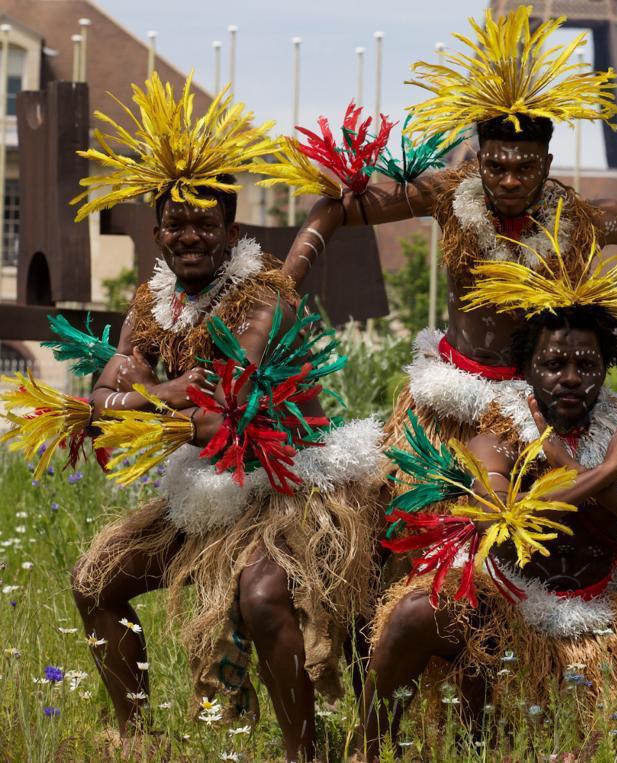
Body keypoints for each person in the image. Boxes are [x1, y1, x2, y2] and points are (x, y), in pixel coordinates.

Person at [256, 6, 617, 453]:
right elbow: (338, 206)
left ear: (546, 164)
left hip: (543, 408)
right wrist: (287, 285)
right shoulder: (445, 196)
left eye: (524, 168)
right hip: (451, 399)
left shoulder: (585, 219)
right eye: (496, 166)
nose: (509, 180)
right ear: (478, 159)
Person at [61, 74, 384, 762]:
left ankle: (304, 753)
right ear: (157, 232)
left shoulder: (262, 297)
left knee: (263, 599)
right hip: (210, 483)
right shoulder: (152, 305)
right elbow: (103, 397)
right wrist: (152, 391)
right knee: (94, 579)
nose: (190, 237)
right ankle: (133, 737)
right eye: (176, 225)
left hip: (289, 483)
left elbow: (224, 403)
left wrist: (141, 394)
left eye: (205, 224)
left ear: (231, 231)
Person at [357, 304, 617, 760]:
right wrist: (604, 472)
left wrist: (585, 471)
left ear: (606, 367)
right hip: (509, 606)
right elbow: (499, 517)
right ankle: (367, 749)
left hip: (609, 602)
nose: (571, 377)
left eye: (586, 364)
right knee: (415, 613)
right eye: (554, 364)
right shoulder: (497, 437)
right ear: (528, 369)